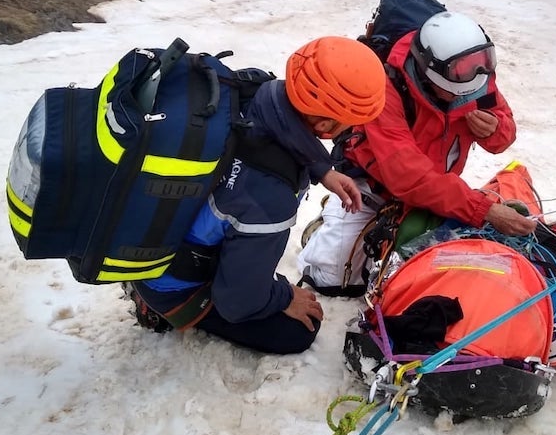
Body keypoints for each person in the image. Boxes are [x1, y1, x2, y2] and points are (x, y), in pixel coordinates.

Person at [126, 36, 388, 354]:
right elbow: (238, 302)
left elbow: (281, 125)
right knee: (299, 330)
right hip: (168, 280)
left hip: (145, 228)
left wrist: (322, 169)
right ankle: (157, 305)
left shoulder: (255, 90)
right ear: (325, 124)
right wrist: (284, 295)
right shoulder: (270, 196)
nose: (352, 132)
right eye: (349, 126)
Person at [296, 10, 535, 294]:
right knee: (333, 281)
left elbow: (502, 138)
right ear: (431, 75)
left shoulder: (472, 73)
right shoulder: (385, 87)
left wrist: (495, 129)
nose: (468, 91)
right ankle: (324, 226)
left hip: (435, 188)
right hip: (372, 187)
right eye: (459, 83)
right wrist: (483, 210)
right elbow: (408, 176)